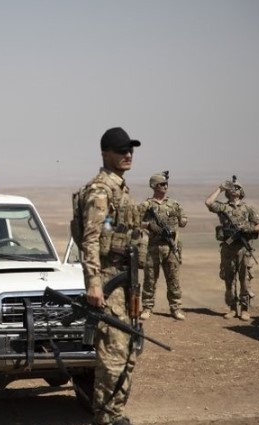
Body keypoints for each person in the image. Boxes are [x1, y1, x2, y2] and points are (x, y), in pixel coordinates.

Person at [75, 127, 144, 425]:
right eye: (121, 150)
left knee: (129, 351)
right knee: (113, 355)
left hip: (126, 280)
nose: (128, 155)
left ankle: (116, 414)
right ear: (105, 154)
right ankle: (105, 417)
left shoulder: (121, 188)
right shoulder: (100, 190)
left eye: (130, 150)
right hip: (108, 281)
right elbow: (91, 239)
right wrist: (93, 283)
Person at [205, 176, 259, 321]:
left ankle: (244, 309)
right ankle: (232, 308)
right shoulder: (223, 207)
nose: (235, 189)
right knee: (229, 279)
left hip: (243, 248)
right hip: (228, 248)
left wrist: (248, 229)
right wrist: (220, 188)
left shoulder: (247, 208)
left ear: (241, 191)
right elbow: (209, 202)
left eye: (238, 187)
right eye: (232, 187)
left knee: (245, 280)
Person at [139, 171, 187, 321]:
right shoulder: (146, 205)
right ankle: (147, 307)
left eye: (166, 184)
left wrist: (177, 222)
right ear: (154, 185)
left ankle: (176, 308)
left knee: (173, 278)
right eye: (161, 184)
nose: (165, 186)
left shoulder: (174, 204)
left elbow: (183, 221)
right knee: (150, 279)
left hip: (171, 247)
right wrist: (149, 225)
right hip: (153, 246)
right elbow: (135, 221)